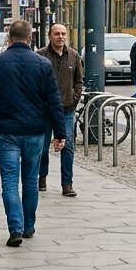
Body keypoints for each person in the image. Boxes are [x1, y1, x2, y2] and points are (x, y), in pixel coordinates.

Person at [0, 19, 66, 247]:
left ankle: (14, 227)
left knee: (9, 181)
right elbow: (54, 102)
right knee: (30, 180)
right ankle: (28, 226)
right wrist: (59, 133)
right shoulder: (43, 64)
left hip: (7, 130)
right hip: (36, 130)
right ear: (30, 38)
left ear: (9, 37)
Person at [37, 23, 84, 198]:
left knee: (68, 146)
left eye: (63, 34)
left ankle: (67, 184)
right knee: (41, 147)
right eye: (57, 34)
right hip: (45, 110)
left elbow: (79, 80)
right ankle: (41, 178)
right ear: (50, 35)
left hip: (66, 109)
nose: (61, 37)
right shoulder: (41, 56)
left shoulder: (73, 56)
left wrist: (74, 96)